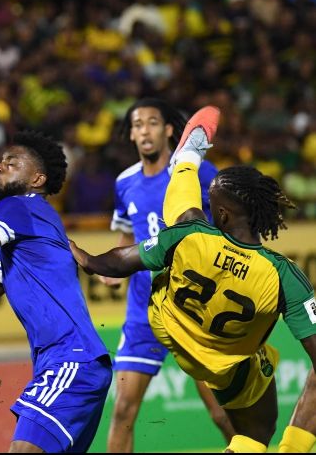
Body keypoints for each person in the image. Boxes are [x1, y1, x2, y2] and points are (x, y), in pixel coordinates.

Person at [71, 106, 316, 453]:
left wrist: (85, 258)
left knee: (183, 208)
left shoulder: (188, 233)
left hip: (169, 324)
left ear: (222, 213)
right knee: (257, 434)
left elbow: (119, 261)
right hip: (224, 364)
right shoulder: (284, 275)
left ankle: (186, 158)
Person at [0, 130, 112, 453]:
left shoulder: (20, 207)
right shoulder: (23, 233)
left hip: (70, 360)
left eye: (12, 163)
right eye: (0, 161)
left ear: (37, 179)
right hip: (74, 363)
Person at [102, 98, 232, 451]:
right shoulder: (124, 182)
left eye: (152, 122)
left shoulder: (197, 172)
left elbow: (228, 221)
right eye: (138, 124)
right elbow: (127, 233)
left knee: (221, 412)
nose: (145, 129)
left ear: (169, 130)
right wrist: (115, 270)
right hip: (144, 310)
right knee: (123, 411)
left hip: (194, 309)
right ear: (131, 134)